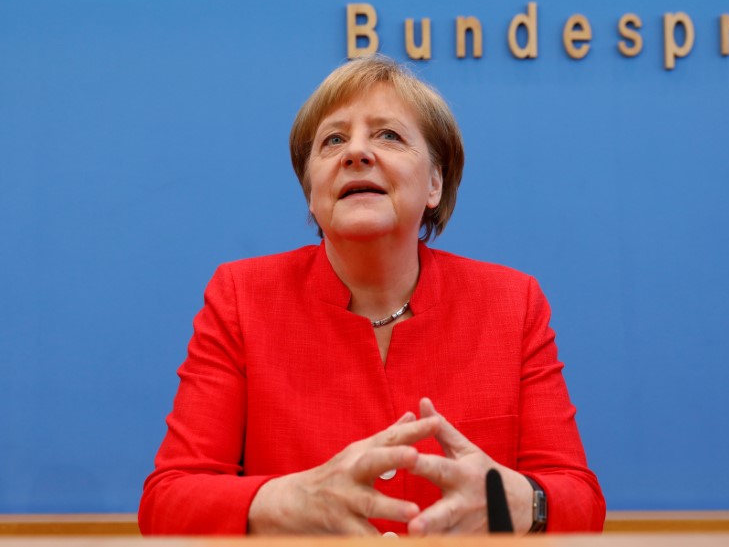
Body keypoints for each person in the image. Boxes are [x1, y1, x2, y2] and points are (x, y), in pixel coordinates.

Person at [138, 54, 605, 536]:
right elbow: (166, 503)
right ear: (312, 191)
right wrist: (284, 500)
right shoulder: (241, 297)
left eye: (388, 135)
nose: (356, 153)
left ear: (434, 183)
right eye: (333, 140)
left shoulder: (512, 302)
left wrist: (521, 501)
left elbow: (579, 501)